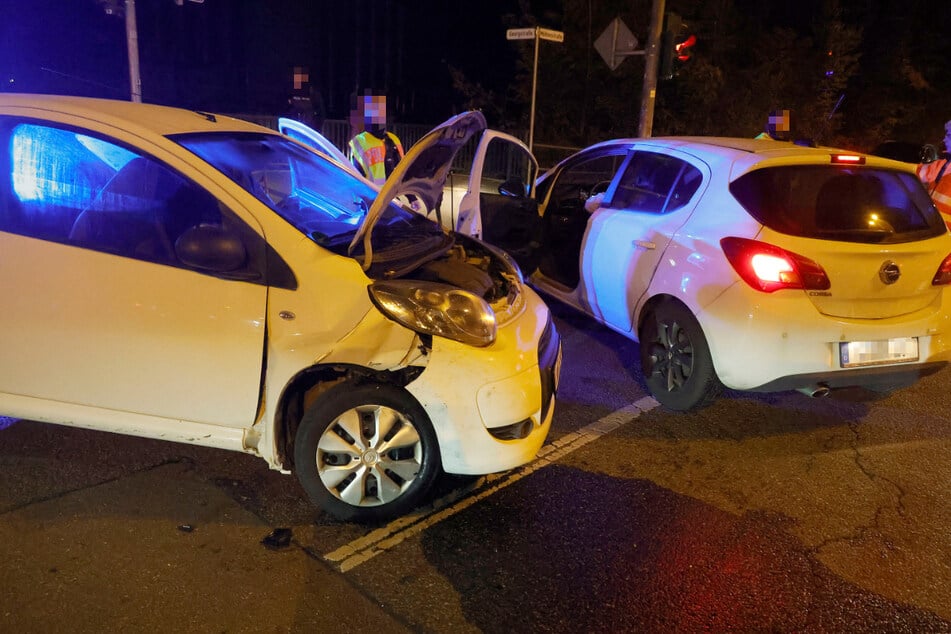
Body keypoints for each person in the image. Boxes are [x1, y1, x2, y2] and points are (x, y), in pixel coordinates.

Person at [347, 91, 404, 186]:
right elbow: (356, 176)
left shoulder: (393, 140)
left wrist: (412, 199)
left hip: (388, 197)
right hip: (368, 197)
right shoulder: (361, 141)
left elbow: (401, 172)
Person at [917, 118, 951, 219]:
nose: (944, 140)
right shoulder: (943, 165)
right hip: (933, 229)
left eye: (949, 136)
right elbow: (913, 172)